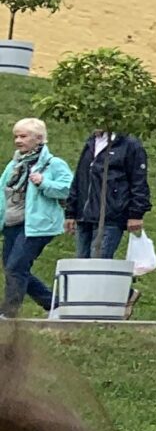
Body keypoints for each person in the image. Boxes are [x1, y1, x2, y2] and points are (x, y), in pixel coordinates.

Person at [2, 121, 73, 318]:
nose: (18, 141)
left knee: (16, 267)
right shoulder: (14, 164)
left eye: (23, 136)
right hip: (12, 223)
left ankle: (8, 315)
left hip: (38, 225)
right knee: (13, 268)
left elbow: (69, 189)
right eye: (16, 136)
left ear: (39, 139)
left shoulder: (53, 164)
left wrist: (44, 183)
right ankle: (54, 304)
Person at [67, 128, 150, 263]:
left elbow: (138, 180)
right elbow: (80, 177)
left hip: (110, 216)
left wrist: (136, 214)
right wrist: (71, 212)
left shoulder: (129, 145)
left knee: (98, 264)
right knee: (81, 264)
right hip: (84, 216)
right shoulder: (91, 143)